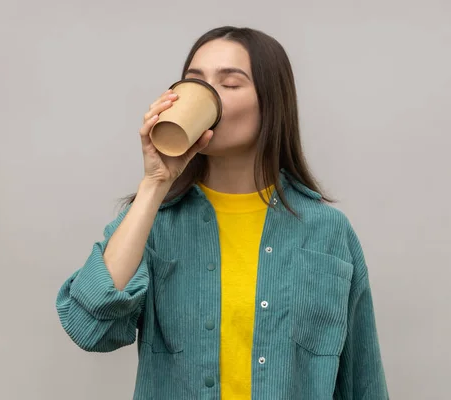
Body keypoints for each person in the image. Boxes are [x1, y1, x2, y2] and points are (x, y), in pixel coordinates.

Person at [56, 26, 389, 399]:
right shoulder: (154, 221)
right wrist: (155, 182)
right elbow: (89, 325)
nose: (210, 95)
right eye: (195, 83)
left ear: (271, 102)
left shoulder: (327, 232)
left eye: (230, 84)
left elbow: (363, 383)